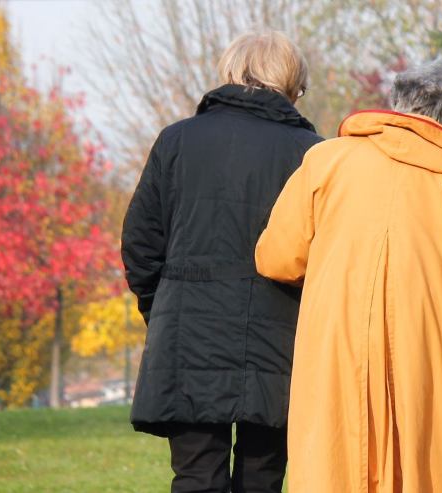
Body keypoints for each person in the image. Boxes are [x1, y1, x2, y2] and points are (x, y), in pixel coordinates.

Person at [255, 58, 442, 492]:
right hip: (432, 351)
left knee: (339, 463)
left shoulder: (326, 161)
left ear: (398, 104)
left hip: (338, 347)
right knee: (430, 467)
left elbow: (277, 257)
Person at [121, 30, 322, 493]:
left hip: (187, 337)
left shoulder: (176, 142)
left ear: (231, 72)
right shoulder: (313, 154)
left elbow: (140, 243)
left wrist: (166, 309)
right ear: (292, 83)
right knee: (263, 478)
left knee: (195, 478)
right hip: (282, 341)